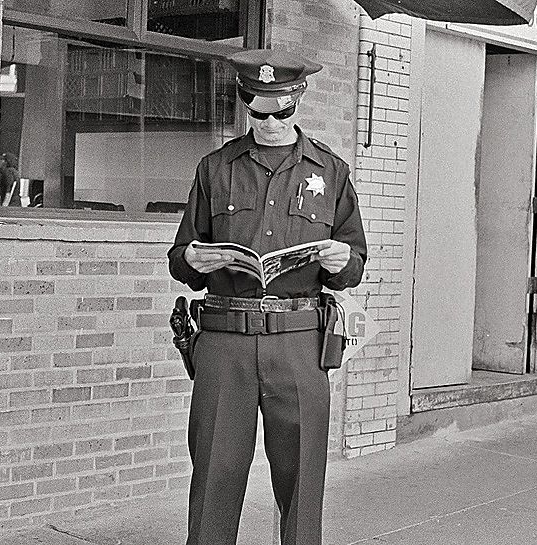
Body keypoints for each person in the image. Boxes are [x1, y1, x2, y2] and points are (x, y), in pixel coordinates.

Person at [167, 48, 367, 545]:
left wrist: (342, 261)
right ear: (245, 104)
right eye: (260, 112)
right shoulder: (216, 168)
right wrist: (192, 260)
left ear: (298, 101)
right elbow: (180, 258)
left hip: (299, 343)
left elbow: (355, 263)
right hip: (225, 341)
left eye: (282, 111)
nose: (272, 122)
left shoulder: (331, 171)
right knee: (214, 475)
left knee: (302, 479)